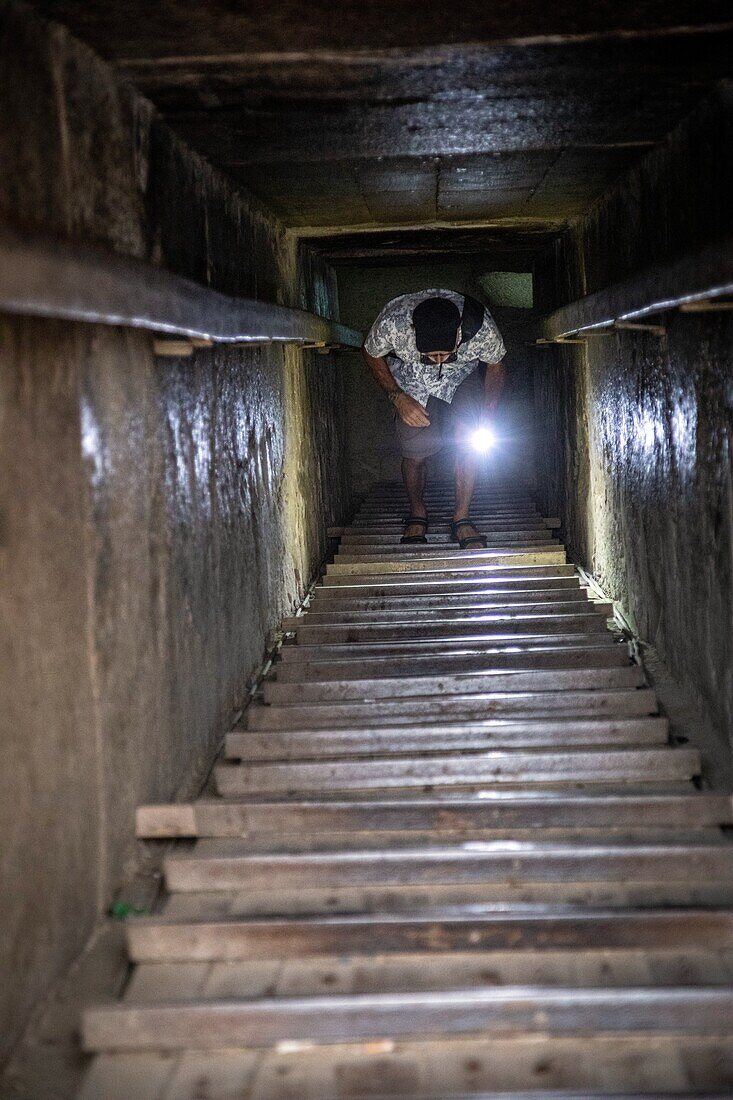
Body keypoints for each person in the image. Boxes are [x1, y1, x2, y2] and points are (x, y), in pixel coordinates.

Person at [362, 289, 506, 547]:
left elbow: (496, 365)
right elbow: (371, 353)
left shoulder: (481, 326)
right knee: (414, 449)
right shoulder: (392, 323)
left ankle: (461, 518)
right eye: (432, 355)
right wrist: (397, 397)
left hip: (461, 377)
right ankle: (417, 513)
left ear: (460, 330)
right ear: (413, 330)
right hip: (410, 380)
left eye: (445, 354)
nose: (439, 360)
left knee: (470, 439)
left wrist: (487, 414)